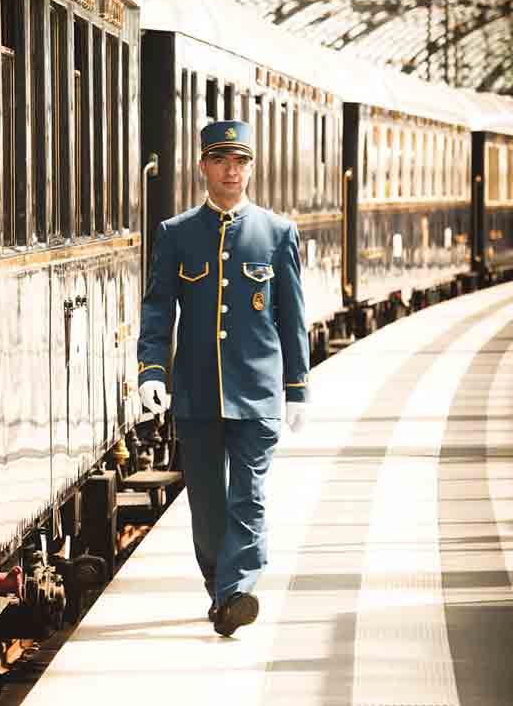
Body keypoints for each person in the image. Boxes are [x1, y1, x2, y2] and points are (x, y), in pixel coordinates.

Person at [136, 119, 310, 637]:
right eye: (221, 161)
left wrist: (296, 388)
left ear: (252, 168)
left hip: (257, 395)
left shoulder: (278, 234)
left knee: (248, 496)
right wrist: (151, 370)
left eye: (240, 162)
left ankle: (236, 591)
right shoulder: (176, 234)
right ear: (203, 167)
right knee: (208, 504)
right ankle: (221, 587)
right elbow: (158, 310)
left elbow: (291, 316)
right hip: (196, 394)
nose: (231, 171)